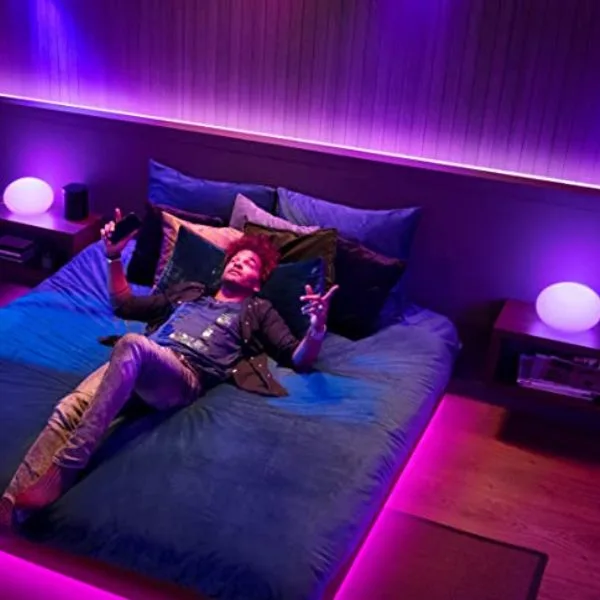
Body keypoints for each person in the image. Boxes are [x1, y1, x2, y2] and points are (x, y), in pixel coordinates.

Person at [0, 208, 338, 531]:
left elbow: (298, 357)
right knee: (69, 408)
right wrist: (114, 256)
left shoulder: (259, 310)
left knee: (132, 344)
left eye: (249, 263)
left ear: (256, 284)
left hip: (182, 376)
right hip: (140, 361)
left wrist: (317, 327)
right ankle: (11, 505)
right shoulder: (191, 292)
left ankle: (67, 465)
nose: (238, 263)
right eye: (235, 259)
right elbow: (125, 304)